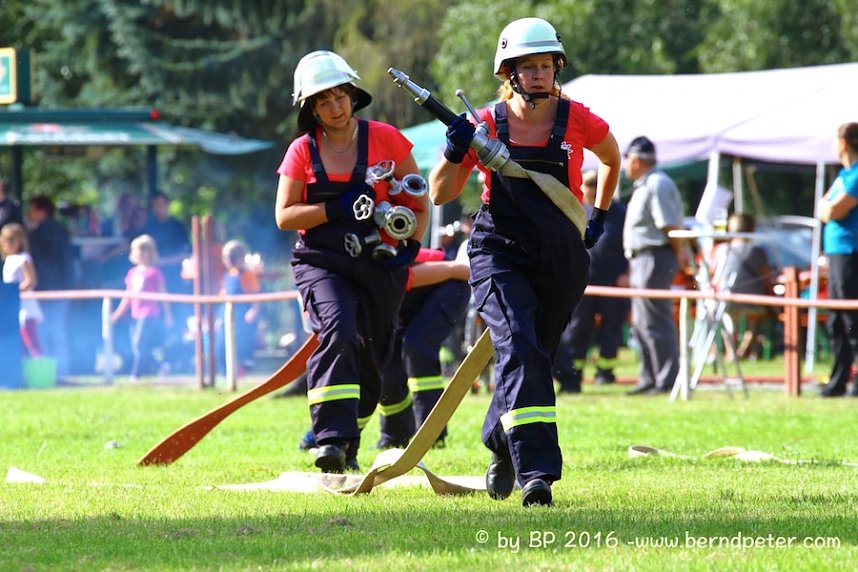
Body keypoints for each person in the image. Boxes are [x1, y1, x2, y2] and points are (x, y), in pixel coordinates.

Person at [429, 17, 621, 506]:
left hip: (562, 255)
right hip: (499, 251)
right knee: (519, 345)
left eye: (546, 65)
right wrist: (454, 151)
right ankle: (536, 473)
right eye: (527, 66)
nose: (538, 74)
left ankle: (500, 443)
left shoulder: (577, 118)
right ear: (507, 73)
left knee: (535, 356)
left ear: (557, 68)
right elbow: (438, 193)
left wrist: (598, 216)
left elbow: (611, 158)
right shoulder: (484, 124)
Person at [275, 50, 428, 473]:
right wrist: (333, 209)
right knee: (339, 331)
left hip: (380, 262)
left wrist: (411, 248)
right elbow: (284, 216)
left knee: (374, 355)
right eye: (323, 101)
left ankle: (349, 442)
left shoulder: (387, 138)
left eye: (340, 96)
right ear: (311, 109)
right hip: (322, 262)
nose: (335, 107)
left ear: (353, 95)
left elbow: (418, 200)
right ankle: (329, 439)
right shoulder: (301, 151)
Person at [376, 248, 471, 449]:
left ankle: (432, 435)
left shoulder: (388, 273)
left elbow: (457, 270)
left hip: (450, 285)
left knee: (416, 346)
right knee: (387, 361)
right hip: (409, 301)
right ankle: (394, 436)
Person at [622, 136, 686, 396]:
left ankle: (666, 379)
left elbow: (670, 226)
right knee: (642, 323)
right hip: (643, 258)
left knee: (655, 320)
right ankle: (649, 378)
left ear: (636, 160)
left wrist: (678, 254)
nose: (625, 165)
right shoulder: (646, 184)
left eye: (627, 159)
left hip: (655, 256)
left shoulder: (657, 183)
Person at [554, 170, 629, 392]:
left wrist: (627, 273)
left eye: (598, 184)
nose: (594, 190)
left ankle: (606, 372)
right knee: (578, 327)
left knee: (611, 327)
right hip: (582, 279)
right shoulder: (574, 208)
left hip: (612, 279)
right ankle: (573, 374)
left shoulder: (619, 212)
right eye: (589, 185)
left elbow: (629, 243)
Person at [817, 122, 858, 398]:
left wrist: (828, 209)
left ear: (844, 142)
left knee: (851, 317)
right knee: (836, 319)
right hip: (836, 252)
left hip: (850, 252)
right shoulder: (844, 175)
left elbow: (834, 210)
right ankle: (838, 379)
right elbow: (823, 207)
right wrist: (827, 208)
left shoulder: (856, 175)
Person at [710, 213, 774, 360]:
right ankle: (744, 349)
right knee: (756, 319)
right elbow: (767, 277)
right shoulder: (758, 251)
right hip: (753, 301)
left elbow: (712, 273)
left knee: (725, 317)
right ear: (752, 229)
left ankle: (732, 350)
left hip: (726, 300)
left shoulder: (721, 250)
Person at [110, 234, 173, 381]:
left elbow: (163, 295)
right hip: (136, 314)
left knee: (139, 344)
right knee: (137, 345)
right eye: (138, 250)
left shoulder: (154, 273)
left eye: (144, 250)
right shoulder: (132, 273)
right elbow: (128, 297)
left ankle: (136, 374)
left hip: (149, 314)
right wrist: (117, 314)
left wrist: (168, 315)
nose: (141, 253)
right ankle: (160, 366)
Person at [26, 194, 75, 379]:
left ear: (42, 211)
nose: (29, 213)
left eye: (32, 209)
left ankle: (51, 372)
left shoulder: (38, 235)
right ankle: (60, 370)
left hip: (46, 290)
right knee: (57, 331)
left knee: (47, 331)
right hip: (61, 288)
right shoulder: (61, 231)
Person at [215, 239, 261, 376]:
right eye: (226, 257)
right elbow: (223, 298)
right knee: (220, 345)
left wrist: (254, 310)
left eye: (231, 256)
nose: (228, 260)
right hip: (226, 315)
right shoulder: (227, 275)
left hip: (242, 317)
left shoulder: (247, 275)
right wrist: (219, 318)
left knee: (241, 346)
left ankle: (240, 373)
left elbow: (255, 295)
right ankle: (225, 374)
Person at [1, 223, 43, 357]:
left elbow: (31, 280)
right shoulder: (9, 260)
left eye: (12, 240)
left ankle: (40, 365)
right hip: (13, 307)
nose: (9, 244)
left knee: (31, 341)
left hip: (26, 308)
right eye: (6, 240)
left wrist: (13, 291)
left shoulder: (23, 259)